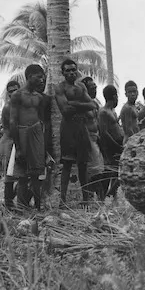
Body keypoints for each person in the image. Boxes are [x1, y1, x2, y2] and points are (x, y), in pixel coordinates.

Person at [54, 59, 95, 206]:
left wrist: (75, 104)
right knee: (67, 163)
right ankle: (62, 200)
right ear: (63, 72)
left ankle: (86, 200)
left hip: (81, 127)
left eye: (73, 70)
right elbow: (65, 110)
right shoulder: (60, 88)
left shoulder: (81, 86)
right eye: (68, 70)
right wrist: (81, 106)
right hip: (68, 128)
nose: (71, 73)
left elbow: (92, 105)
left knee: (83, 164)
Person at [10, 65, 47, 210]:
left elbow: (42, 119)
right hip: (22, 134)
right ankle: (20, 208)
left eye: (42, 76)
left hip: (37, 134)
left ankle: (38, 208)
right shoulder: (17, 95)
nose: (41, 79)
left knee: (37, 175)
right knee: (22, 175)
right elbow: (13, 121)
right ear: (29, 76)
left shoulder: (39, 97)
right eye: (38, 76)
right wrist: (18, 147)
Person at [81, 76, 106, 200]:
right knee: (94, 170)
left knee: (99, 169)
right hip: (88, 139)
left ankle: (99, 197)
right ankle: (93, 197)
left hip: (96, 138)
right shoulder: (82, 105)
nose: (95, 89)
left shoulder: (95, 103)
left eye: (95, 87)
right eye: (92, 87)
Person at [98, 85, 124, 199]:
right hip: (110, 145)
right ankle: (103, 197)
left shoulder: (112, 111)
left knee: (117, 172)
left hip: (117, 143)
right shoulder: (103, 112)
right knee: (108, 172)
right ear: (114, 97)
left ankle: (112, 195)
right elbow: (104, 132)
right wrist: (116, 145)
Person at [0, 80, 20, 208]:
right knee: (9, 175)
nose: (13, 93)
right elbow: (10, 130)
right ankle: (8, 204)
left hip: (18, 140)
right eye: (10, 91)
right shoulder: (8, 107)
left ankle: (11, 200)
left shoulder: (23, 105)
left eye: (15, 90)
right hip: (9, 142)